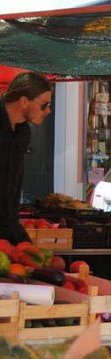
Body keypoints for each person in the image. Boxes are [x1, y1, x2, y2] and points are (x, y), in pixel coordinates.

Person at [0, 72, 52, 244]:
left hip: (9, 226)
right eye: (44, 105)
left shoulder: (23, 133)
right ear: (23, 101)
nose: (48, 111)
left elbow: (12, 185)